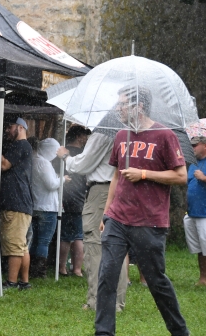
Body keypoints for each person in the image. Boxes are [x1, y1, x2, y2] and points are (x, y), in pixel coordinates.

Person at [95, 86, 190, 336]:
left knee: (156, 281)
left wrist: (144, 174)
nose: (118, 108)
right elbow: (116, 177)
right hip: (117, 219)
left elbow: (181, 176)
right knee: (106, 277)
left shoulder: (164, 135)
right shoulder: (121, 135)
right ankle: (103, 332)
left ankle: (180, 331)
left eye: (123, 104)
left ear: (139, 106)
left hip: (149, 222)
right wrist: (106, 213)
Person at [57, 122, 129, 312]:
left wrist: (65, 156)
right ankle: (117, 303)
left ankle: (98, 301)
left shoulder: (103, 132)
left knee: (95, 245)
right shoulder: (127, 131)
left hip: (102, 192)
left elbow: (83, 164)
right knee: (117, 247)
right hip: (122, 191)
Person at [0, 118, 33, 290]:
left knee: (14, 245)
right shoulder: (24, 147)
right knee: (21, 245)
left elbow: (4, 165)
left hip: (16, 203)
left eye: (10, 127)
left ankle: (11, 282)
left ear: (20, 127)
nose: (7, 130)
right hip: (22, 203)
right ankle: (24, 282)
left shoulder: (20, 146)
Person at [29, 138, 65, 279]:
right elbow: (51, 184)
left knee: (34, 240)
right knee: (43, 241)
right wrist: (62, 179)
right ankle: (39, 272)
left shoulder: (34, 160)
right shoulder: (44, 163)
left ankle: (31, 268)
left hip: (35, 205)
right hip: (48, 207)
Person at [58, 126, 91, 277]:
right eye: (84, 136)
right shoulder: (84, 154)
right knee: (78, 235)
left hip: (63, 196)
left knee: (64, 235)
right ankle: (77, 269)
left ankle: (62, 268)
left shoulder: (61, 152)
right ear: (79, 137)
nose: (86, 140)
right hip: (79, 197)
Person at [185, 134, 206, 286]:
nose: (192, 149)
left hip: (205, 213)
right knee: (200, 248)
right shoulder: (193, 163)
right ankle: (203, 278)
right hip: (193, 212)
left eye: (195, 145)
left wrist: (204, 178)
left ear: (204, 145)